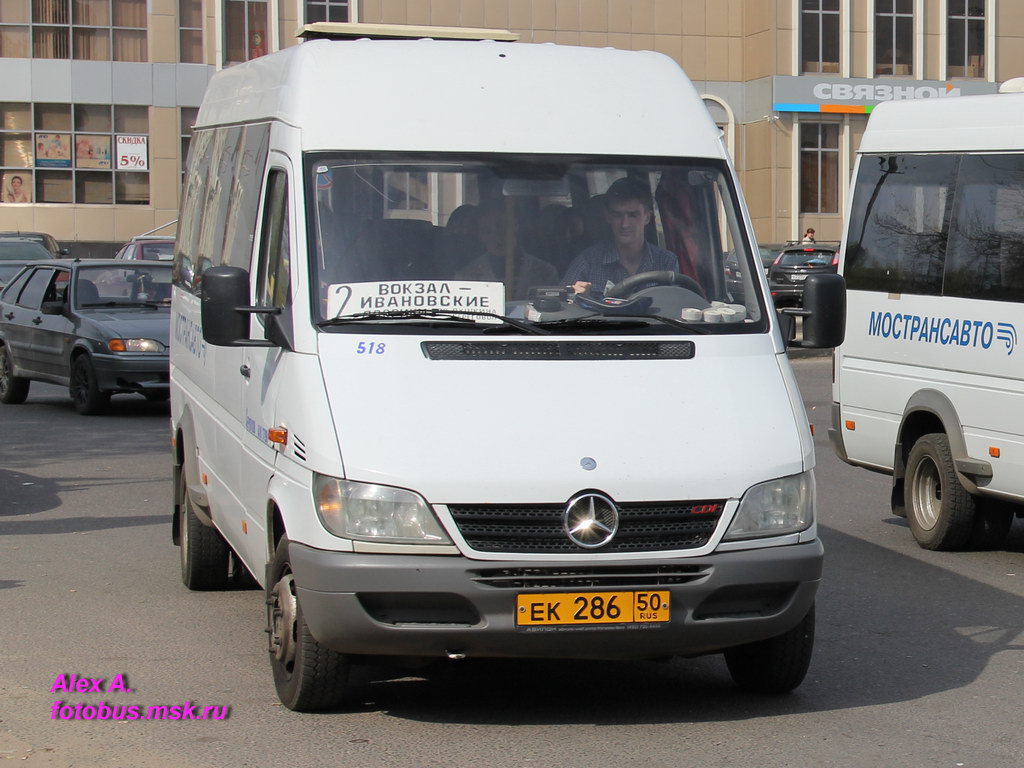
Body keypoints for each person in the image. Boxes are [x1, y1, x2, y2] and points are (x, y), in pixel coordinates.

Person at [562, 177, 678, 296]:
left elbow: (677, 308)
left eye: (633, 215)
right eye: (617, 215)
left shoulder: (666, 262)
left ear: (647, 217)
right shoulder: (587, 262)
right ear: (608, 217)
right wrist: (578, 300)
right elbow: (561, 306)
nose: (625, 224)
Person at [456, 200, 558, 300]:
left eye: (501, 227)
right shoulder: (467, 277)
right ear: (479, 236)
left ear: (515, 226)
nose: (496, 236)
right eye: (486, 231)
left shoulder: (544, 272)